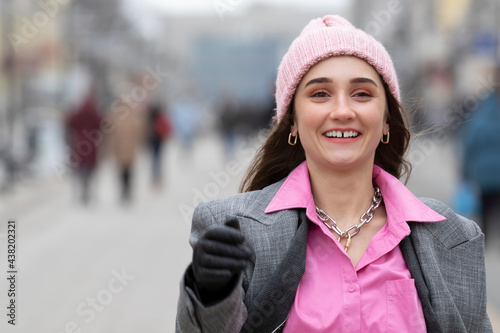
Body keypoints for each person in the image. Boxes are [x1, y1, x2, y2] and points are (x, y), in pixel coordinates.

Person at [176, 15, 492, 333]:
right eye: (320, 94)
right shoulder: (235, 230)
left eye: (362, 94)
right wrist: (212, 297)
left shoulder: (456, 237)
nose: (342, 111)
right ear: (292, 123)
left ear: (386, 122)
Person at [461, 66, 500, 245]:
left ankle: (486, 238)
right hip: (488, 169)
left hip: (483, 171)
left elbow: (471, 139)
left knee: (485, 206)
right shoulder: (484, 105)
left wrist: (465, 168)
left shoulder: (482, 107)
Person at [66, 87, 102, 204]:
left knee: (81, 167)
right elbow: (100, 125)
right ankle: (87, 188)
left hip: (80, 142)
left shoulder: (79, 110)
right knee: (90, 167)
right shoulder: (94, 110)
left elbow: (71, 123)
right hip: (91, 142)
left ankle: (83, 188)